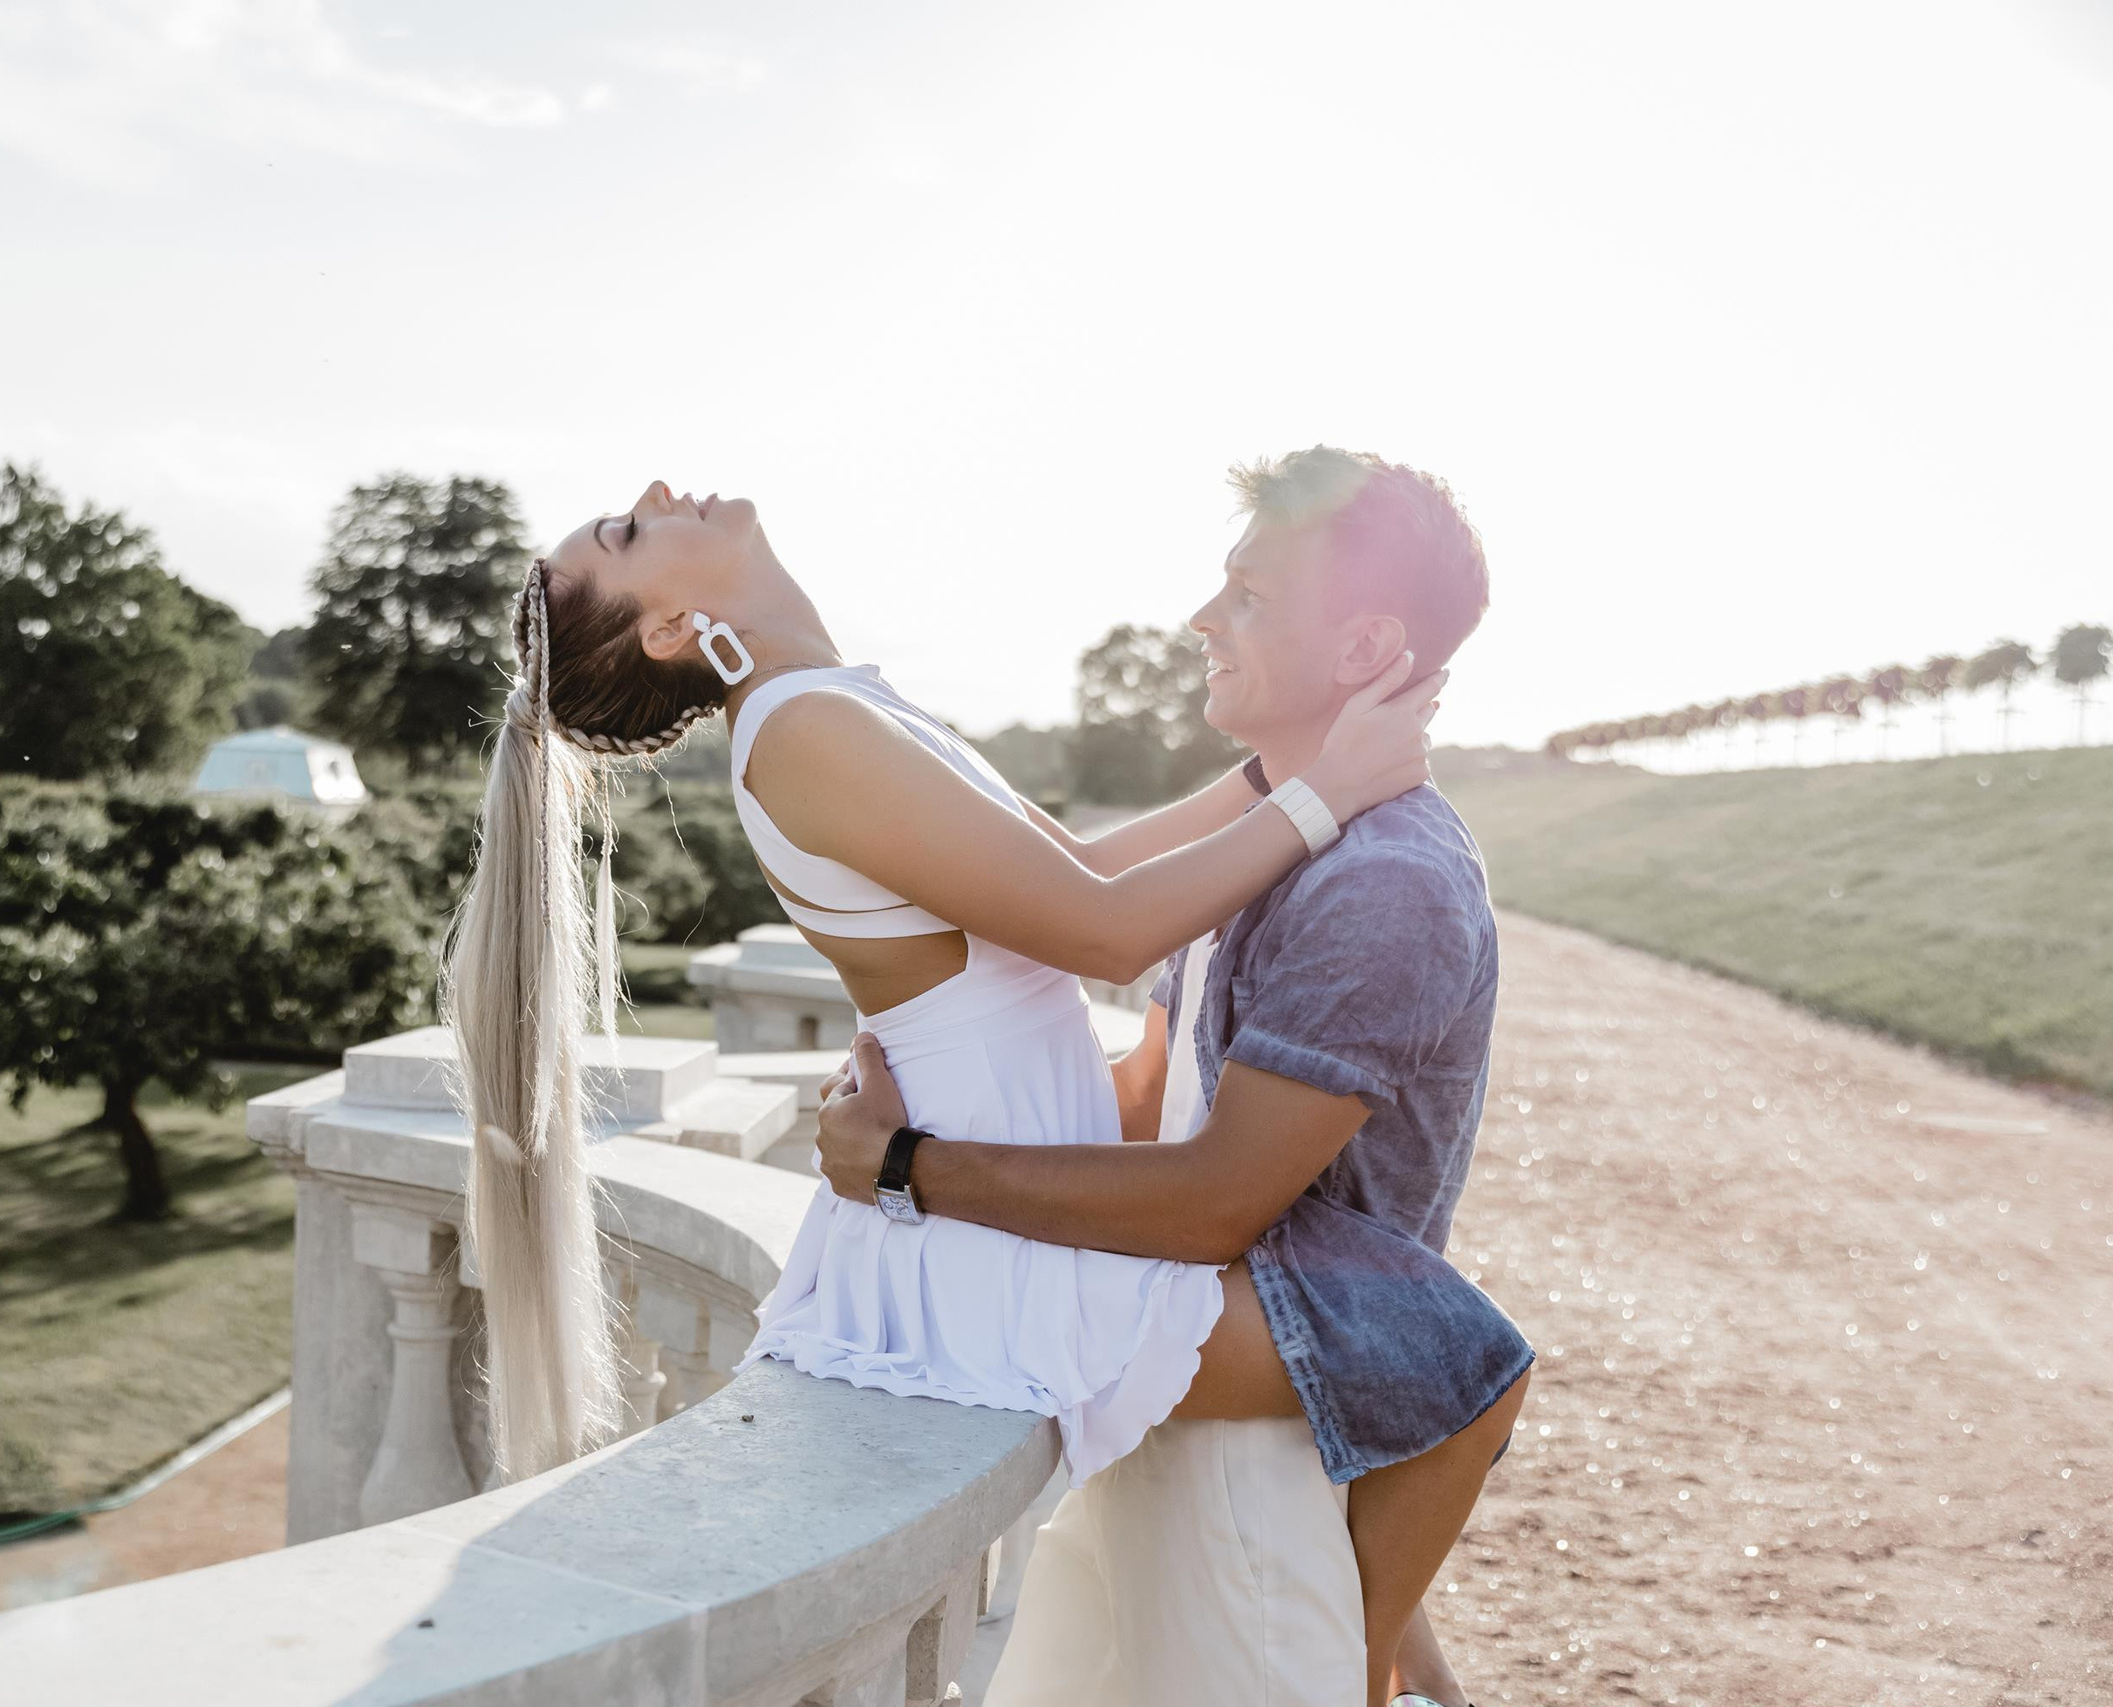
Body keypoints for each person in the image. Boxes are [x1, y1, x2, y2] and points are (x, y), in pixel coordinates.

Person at [443, 460, 1523, 1706]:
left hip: (999, 1206)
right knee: (1457, 1359)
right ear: (674, 627)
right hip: (978, 1233)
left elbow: (1074, 869)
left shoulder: (828, 702)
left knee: (1411, 1392)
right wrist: (1326, 791)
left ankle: (1386, 1660)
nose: (656, 488)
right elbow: (1106, 931)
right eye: (628, 532)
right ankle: (1379, 1672)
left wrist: (1289, 775)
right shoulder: (801, 727)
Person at [815, 446, 1532, 1706]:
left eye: (1249, 595)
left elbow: (1214, 1201)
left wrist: (910, 1169)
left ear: (1366, 647)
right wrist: (926, 1105)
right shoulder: (1273, 841)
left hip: (1265, 1462)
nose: (1204, 618)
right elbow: (1150, 1095)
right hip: (1169, 1403)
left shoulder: (1386, 883)